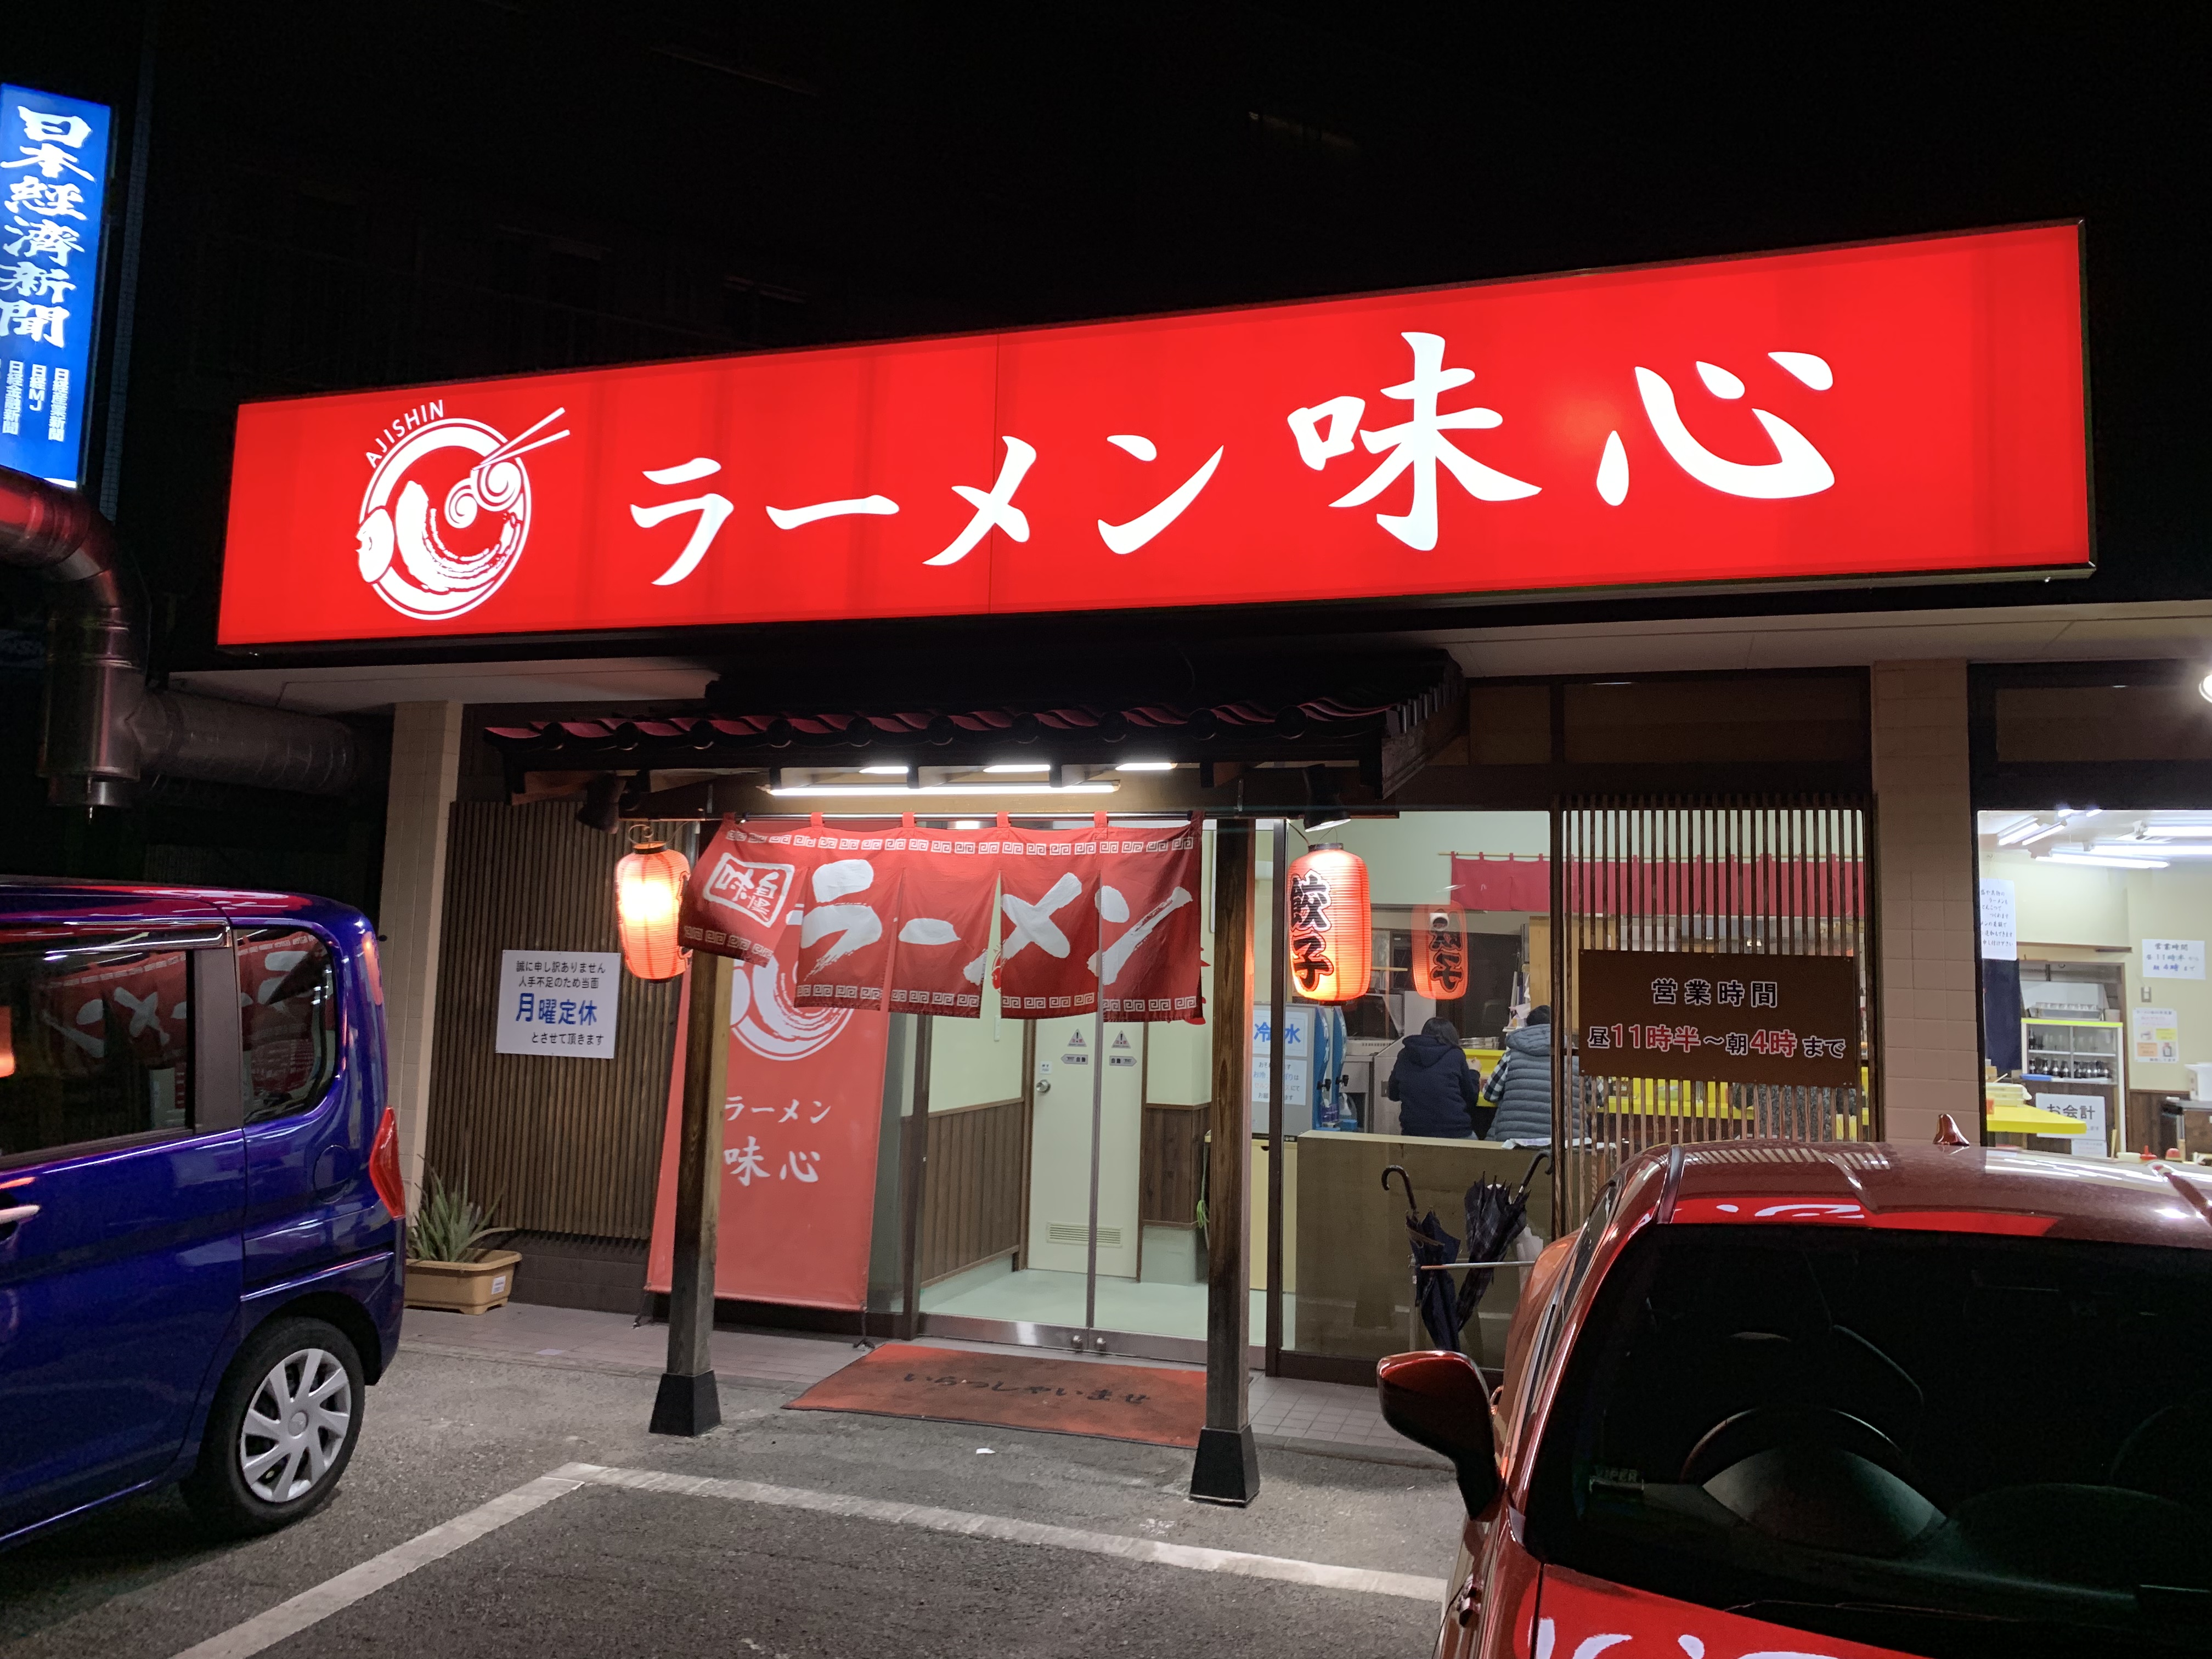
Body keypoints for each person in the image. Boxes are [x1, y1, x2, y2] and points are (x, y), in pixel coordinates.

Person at [1386, 1016, 1493, 1139]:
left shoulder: (1405, 1055)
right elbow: (1471, 1098)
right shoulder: (1456, 1055)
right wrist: (1474, 1072)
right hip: (1455, 1132)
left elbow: (1393, 1094)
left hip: (1413, 1133)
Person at [1485, 1005, 1554, 1144]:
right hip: (1564, 1144)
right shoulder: (1575, 1057)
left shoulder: (1511, 1056)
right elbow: (1598, 1097)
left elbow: (1490, 1094)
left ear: (1527, 1027)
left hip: (1513, 1142)